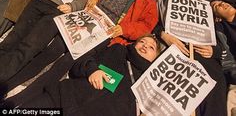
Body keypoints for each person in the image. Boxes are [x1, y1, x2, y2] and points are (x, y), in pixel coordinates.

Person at [2, 35, 160, 116]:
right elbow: (80, 62)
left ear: (155, 58)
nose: (145, 45)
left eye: (151, 47)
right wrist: (92, 69)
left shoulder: (151, 85)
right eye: (142, 42)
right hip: (59, 99)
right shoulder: (118, 50)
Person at [154, 0, 227, 116]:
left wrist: (213, 50)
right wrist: (163, 35)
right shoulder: (161, 4)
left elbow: (220, 46)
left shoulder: (205, 11)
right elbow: (151, 24)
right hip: (176, 58)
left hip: (208, 63)